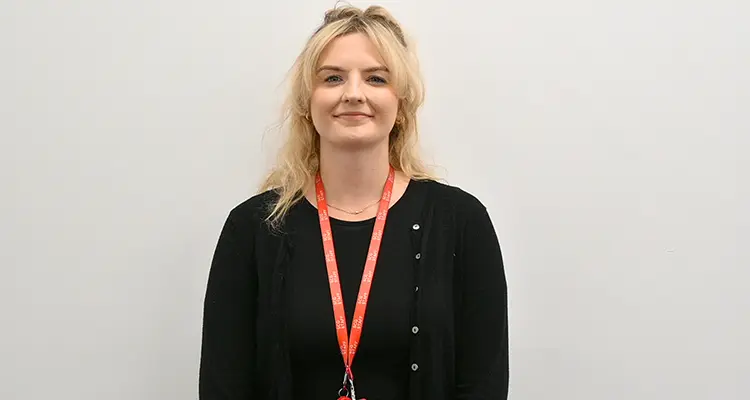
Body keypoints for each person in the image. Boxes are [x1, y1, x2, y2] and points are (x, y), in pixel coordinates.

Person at [199, 5, 509, 400]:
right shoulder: (253, 227)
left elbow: (484, 383)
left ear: (401, 103)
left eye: (376, 78)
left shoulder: (461, 222)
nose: (353, 93)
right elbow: (223, 385)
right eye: (333, 78)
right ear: (307, 102)